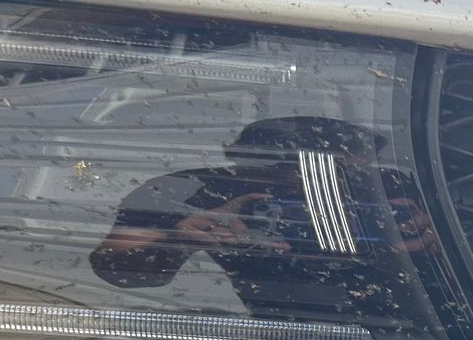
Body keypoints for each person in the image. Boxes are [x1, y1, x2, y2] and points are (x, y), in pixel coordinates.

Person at [89, 115, 439, 324]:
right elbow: (113, 268)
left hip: (427, 336)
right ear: (239, 161)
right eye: (283, 178)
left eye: (347, 175)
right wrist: (176, 241)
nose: (310, 196)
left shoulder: (400, 187)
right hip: (254, 338)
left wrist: (440, 243)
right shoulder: (191, 189)